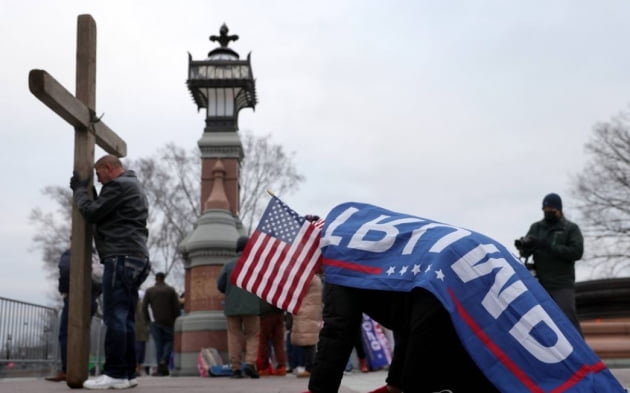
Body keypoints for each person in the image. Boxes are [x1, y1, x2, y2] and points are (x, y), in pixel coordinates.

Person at [303, 283, 498, 393]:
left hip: (436, 317)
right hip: (467, 309)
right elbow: (405, 318)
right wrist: (396, 383)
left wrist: (319, 390)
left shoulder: (339, 266)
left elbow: (337, 329)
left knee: (419, 386)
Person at [70, 154, 150, 389]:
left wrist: (80, 192)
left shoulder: (118, 185)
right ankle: (126, 373)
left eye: (98, 174)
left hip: (121, 256)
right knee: (125, 318)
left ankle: (114, 373)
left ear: (108, 168)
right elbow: (105, 209)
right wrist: (91, 193)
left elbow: (93, 213)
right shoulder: (133, 185)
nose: (98, 178)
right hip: (136, 257)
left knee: (115, 316)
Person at [515, 192, 584, 334]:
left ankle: (583, 352)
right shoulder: (536, 228)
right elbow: (525, 254)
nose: (547, 212)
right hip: (540, 282)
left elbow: (576, 252)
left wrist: (547, 246)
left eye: (551, 210)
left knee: (568, 317)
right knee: (539, 319)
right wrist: (525, 248)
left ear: (559, 210)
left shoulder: (570, 228)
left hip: (562, 284)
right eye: (545, 210)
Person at [45, 249, 101, 382]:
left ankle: (68, 369)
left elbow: (65, 269)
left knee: (66, 334)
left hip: (74, 296)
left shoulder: (71, 253)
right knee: (84, 333)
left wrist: (64, 289)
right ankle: (82, 369)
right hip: (91, 298)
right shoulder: (95, 255)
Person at [217, 236, 261, 379]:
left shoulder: (228, 265)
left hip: (232, 306)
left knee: (234, 336)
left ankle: (235, 368)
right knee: (252, 335)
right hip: (251, 305)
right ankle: (250, 364)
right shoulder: (254, 264)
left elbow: (220, 285)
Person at [142, 272, 180, 376]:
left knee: (158, 344)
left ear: (156, 279)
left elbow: (144, 307)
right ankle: (164, 361)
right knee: (169, 342)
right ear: (164, 279)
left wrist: (147, 320)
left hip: (155, 321)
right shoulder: (170, 290)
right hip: (169, 321)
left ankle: (160, 368)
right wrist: (176, 318)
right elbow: (176, 307)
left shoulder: (150, 291)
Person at [290, 273, 322, 378]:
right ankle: (309, 366)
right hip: (311, 309)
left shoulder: (307, 277)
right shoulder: (316, 278)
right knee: (309, 338)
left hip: (305, 309)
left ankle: (310, 367)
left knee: (308, 341)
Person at [258, 301, 289, 376]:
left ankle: (264, 367)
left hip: (265, 312)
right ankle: (281, 366)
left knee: (263, 340)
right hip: (279, 311)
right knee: (278, 342)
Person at [134, 290, 150, 377]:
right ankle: (137, 367)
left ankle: (137, 367)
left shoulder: (135, 304)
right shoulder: (143, 305)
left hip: (137, 329)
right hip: (141, 330)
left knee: (137, 349)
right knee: (139, 349)